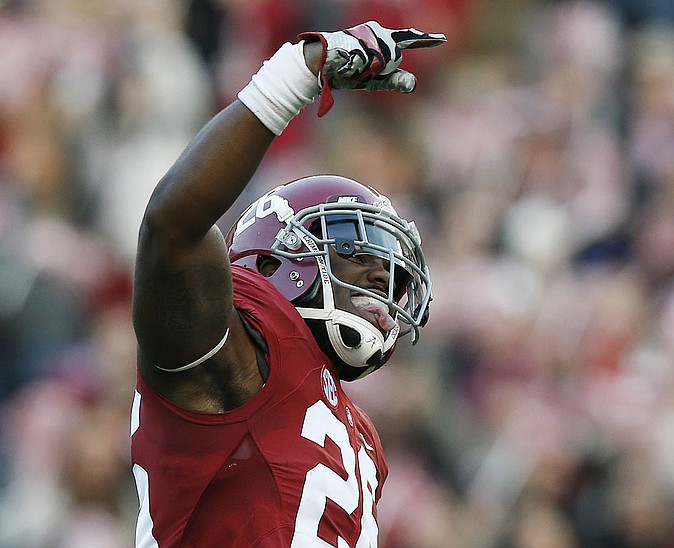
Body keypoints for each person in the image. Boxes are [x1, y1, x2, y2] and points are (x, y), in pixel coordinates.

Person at [128, 20, 444, 547]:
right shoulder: (238, 352)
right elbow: (172, 229)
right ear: (276, 261)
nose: (380, 277)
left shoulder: (358, 433)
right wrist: (295, 74)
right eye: (353, 249)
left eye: (390, 269)